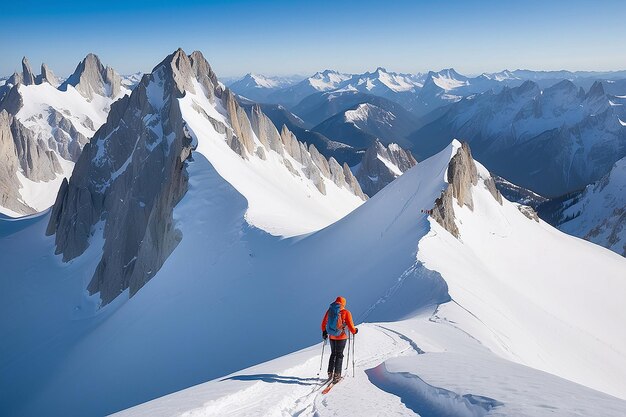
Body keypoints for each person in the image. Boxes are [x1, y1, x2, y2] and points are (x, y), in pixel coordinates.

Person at [321, 296, 358, 382]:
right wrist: (355, 331)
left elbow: (323, 323)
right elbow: (351, 326)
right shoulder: (346, 312)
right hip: (341, 336)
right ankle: (337, 375)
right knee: (339, 355)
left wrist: (324, 331)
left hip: (332, 336)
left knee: (333, 353)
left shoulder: (330, 311)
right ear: (343, 303)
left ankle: (330, 372)